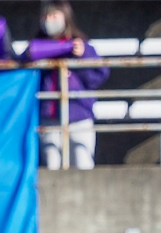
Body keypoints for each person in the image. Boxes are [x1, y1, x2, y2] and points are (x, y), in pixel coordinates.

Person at [25, 1, 107, 170]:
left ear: (66, 17)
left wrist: (82, 58)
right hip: (48, 117)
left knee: (83, 163)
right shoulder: (37, 47)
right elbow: (23, 63)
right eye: (45, 16)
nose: (49, 20)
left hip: (79, 115)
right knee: (52, 164)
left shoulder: (82, 46)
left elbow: (97, 77)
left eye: (54, 16)